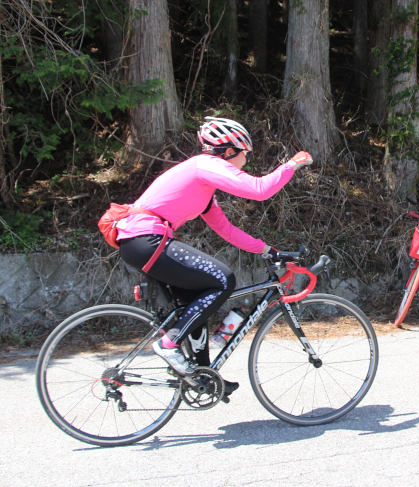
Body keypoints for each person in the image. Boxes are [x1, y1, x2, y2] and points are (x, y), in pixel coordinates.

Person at [116, 117, 313, 395]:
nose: (246, 158)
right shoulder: (205, 165)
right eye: (245, 152)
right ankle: (169, 344)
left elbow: (226, 230)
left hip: (141, 242)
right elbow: (260, 190)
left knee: (195, 304)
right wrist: (291, 166)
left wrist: (269, 251)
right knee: (223, 279)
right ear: (229, 150)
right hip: (146, 239)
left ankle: (201, 377)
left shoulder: (204, 185)